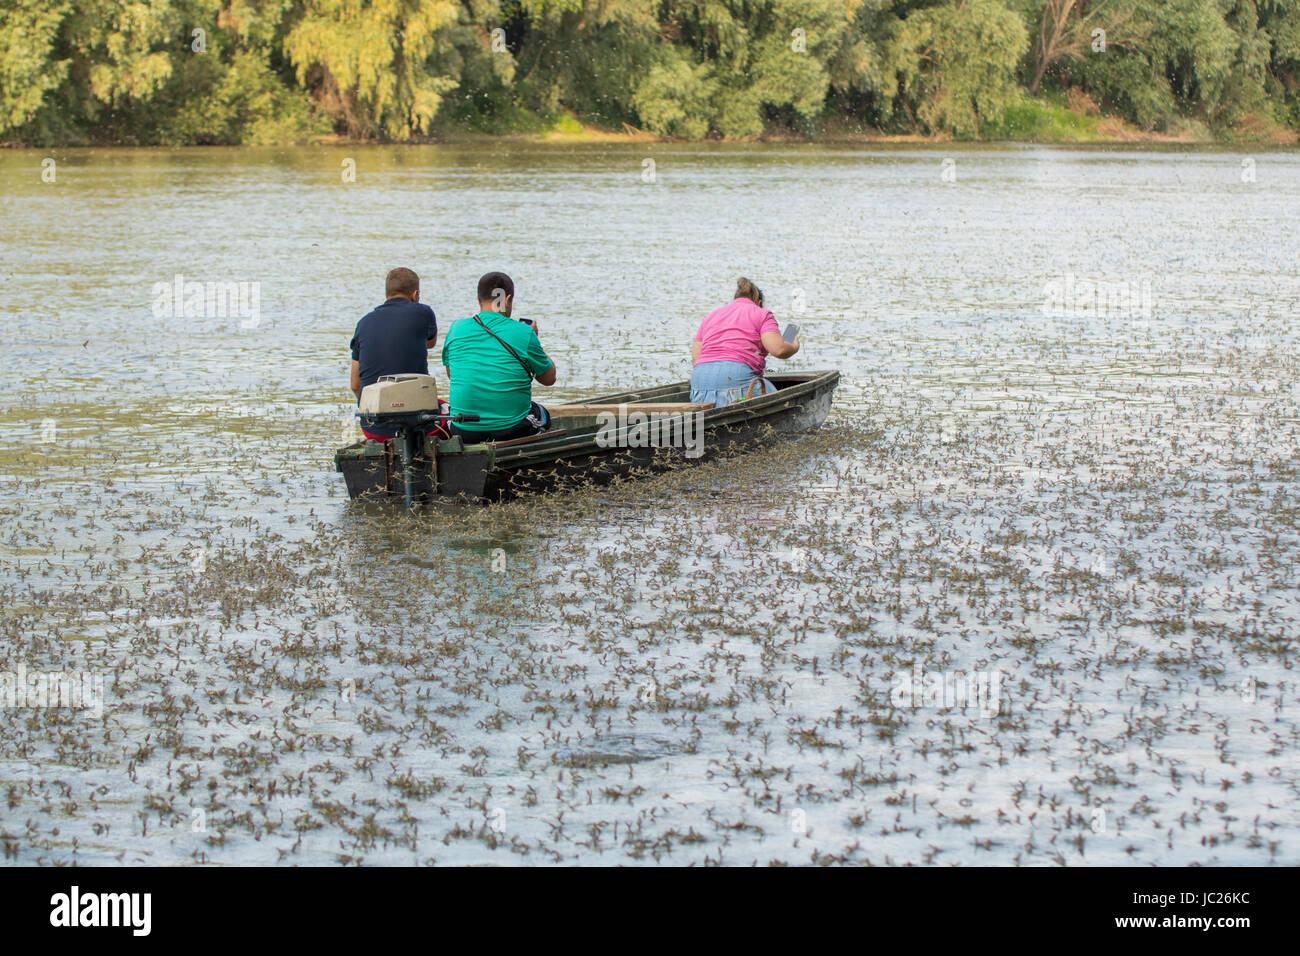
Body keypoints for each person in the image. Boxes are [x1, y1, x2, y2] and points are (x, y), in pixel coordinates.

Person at [441, 272, 556, 443]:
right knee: (542, 414)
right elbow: (549, 379)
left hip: (463, 430)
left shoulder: (456, 328)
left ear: (479, 298)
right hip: (510, 430)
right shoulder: (524, 332)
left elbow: (453, 375)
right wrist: (534, 339)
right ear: (508, 299)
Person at [350, 267, 440, 441]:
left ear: (387, 293)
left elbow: (355, 384)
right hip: (417, 425)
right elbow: (431, 343)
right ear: (415, 294)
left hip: (373, 428)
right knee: (446, 413)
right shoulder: (422, 312)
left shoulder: (363, 323)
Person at [690, 277, 799, 407]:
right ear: (759, 302)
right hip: (736, 377)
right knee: (779, 398)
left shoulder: (710, 316)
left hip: (700, 380)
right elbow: (779, 350)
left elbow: (696, 359)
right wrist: (793, 345)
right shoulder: (762, 314)